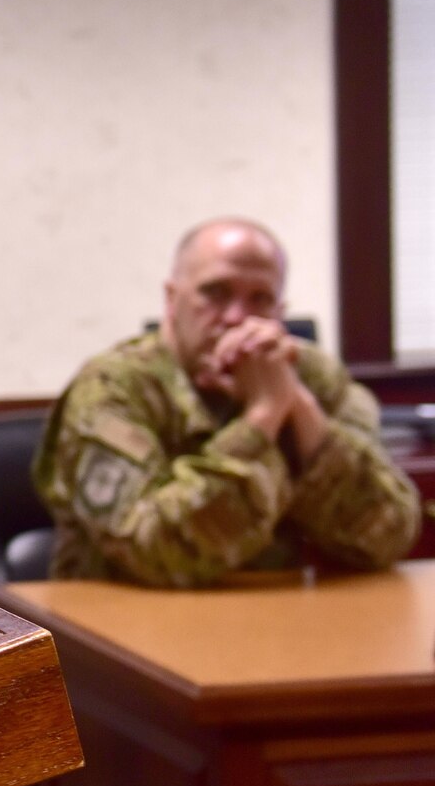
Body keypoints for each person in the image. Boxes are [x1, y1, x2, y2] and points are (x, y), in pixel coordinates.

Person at [34, 217, 422, 586]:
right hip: (122, 630)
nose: (237, 317)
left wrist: (297, 404)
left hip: (276, 624)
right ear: (172, 300)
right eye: (215, 292)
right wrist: (264, 416)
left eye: (260, 299)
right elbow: (156, 552)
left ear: (280, 313)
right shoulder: (113, 386)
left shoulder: (313, 376)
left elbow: (389, 535)